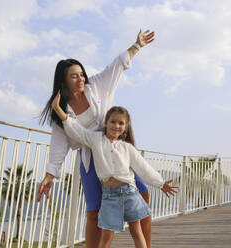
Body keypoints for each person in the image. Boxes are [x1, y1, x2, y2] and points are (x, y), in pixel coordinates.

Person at [37, 30, 155, 247]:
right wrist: (49, 174)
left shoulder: (97, 86)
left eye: (81, 74)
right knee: (93, 212)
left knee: (143, 194)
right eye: (74, 75)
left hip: (116, 153)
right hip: (91, 162)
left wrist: (136, 46)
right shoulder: (60, 109)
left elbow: (116, 67)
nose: (80, 78)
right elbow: (59, 145)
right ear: (64, 80)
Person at [51, 96, 178, 248]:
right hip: (109, 196)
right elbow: (77, 131)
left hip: (129, 192)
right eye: (113, 121)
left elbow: (143, 168)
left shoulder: (127, 148)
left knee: (136, 231)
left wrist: (161, 183)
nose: (116, 126)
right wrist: (58, 109)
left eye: (121, 123)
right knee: (106, 236)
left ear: (125, 127)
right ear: (106, 123)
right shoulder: (96, 139)